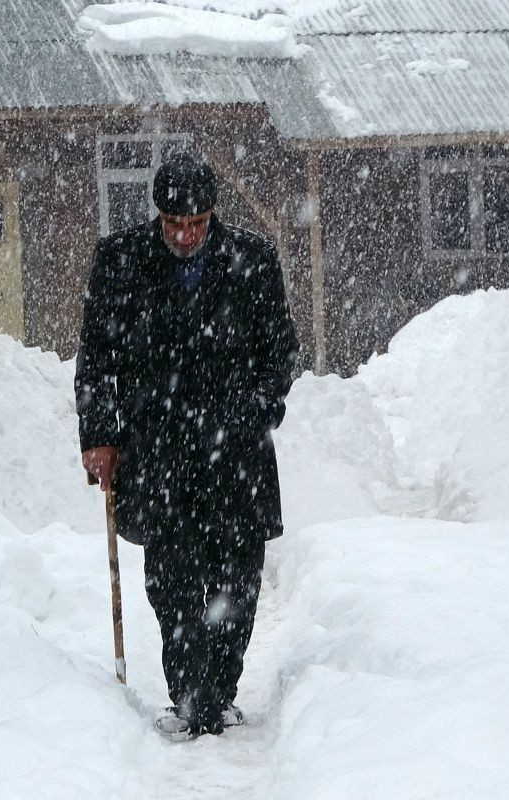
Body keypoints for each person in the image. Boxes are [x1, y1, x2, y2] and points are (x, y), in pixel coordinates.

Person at [75, 153, 299, 738]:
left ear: (212, 214)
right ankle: (192, 696)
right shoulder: (121, 262)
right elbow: (96, 357)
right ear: (159, 215)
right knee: (171, 578)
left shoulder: (252, 260)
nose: (184, 235)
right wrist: (99, 435)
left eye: (195, 224)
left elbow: (280, 354)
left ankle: (218, 692)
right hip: (158, 450)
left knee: (236, 578)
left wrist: (255, 413)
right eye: (173, 224)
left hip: (236, 452)